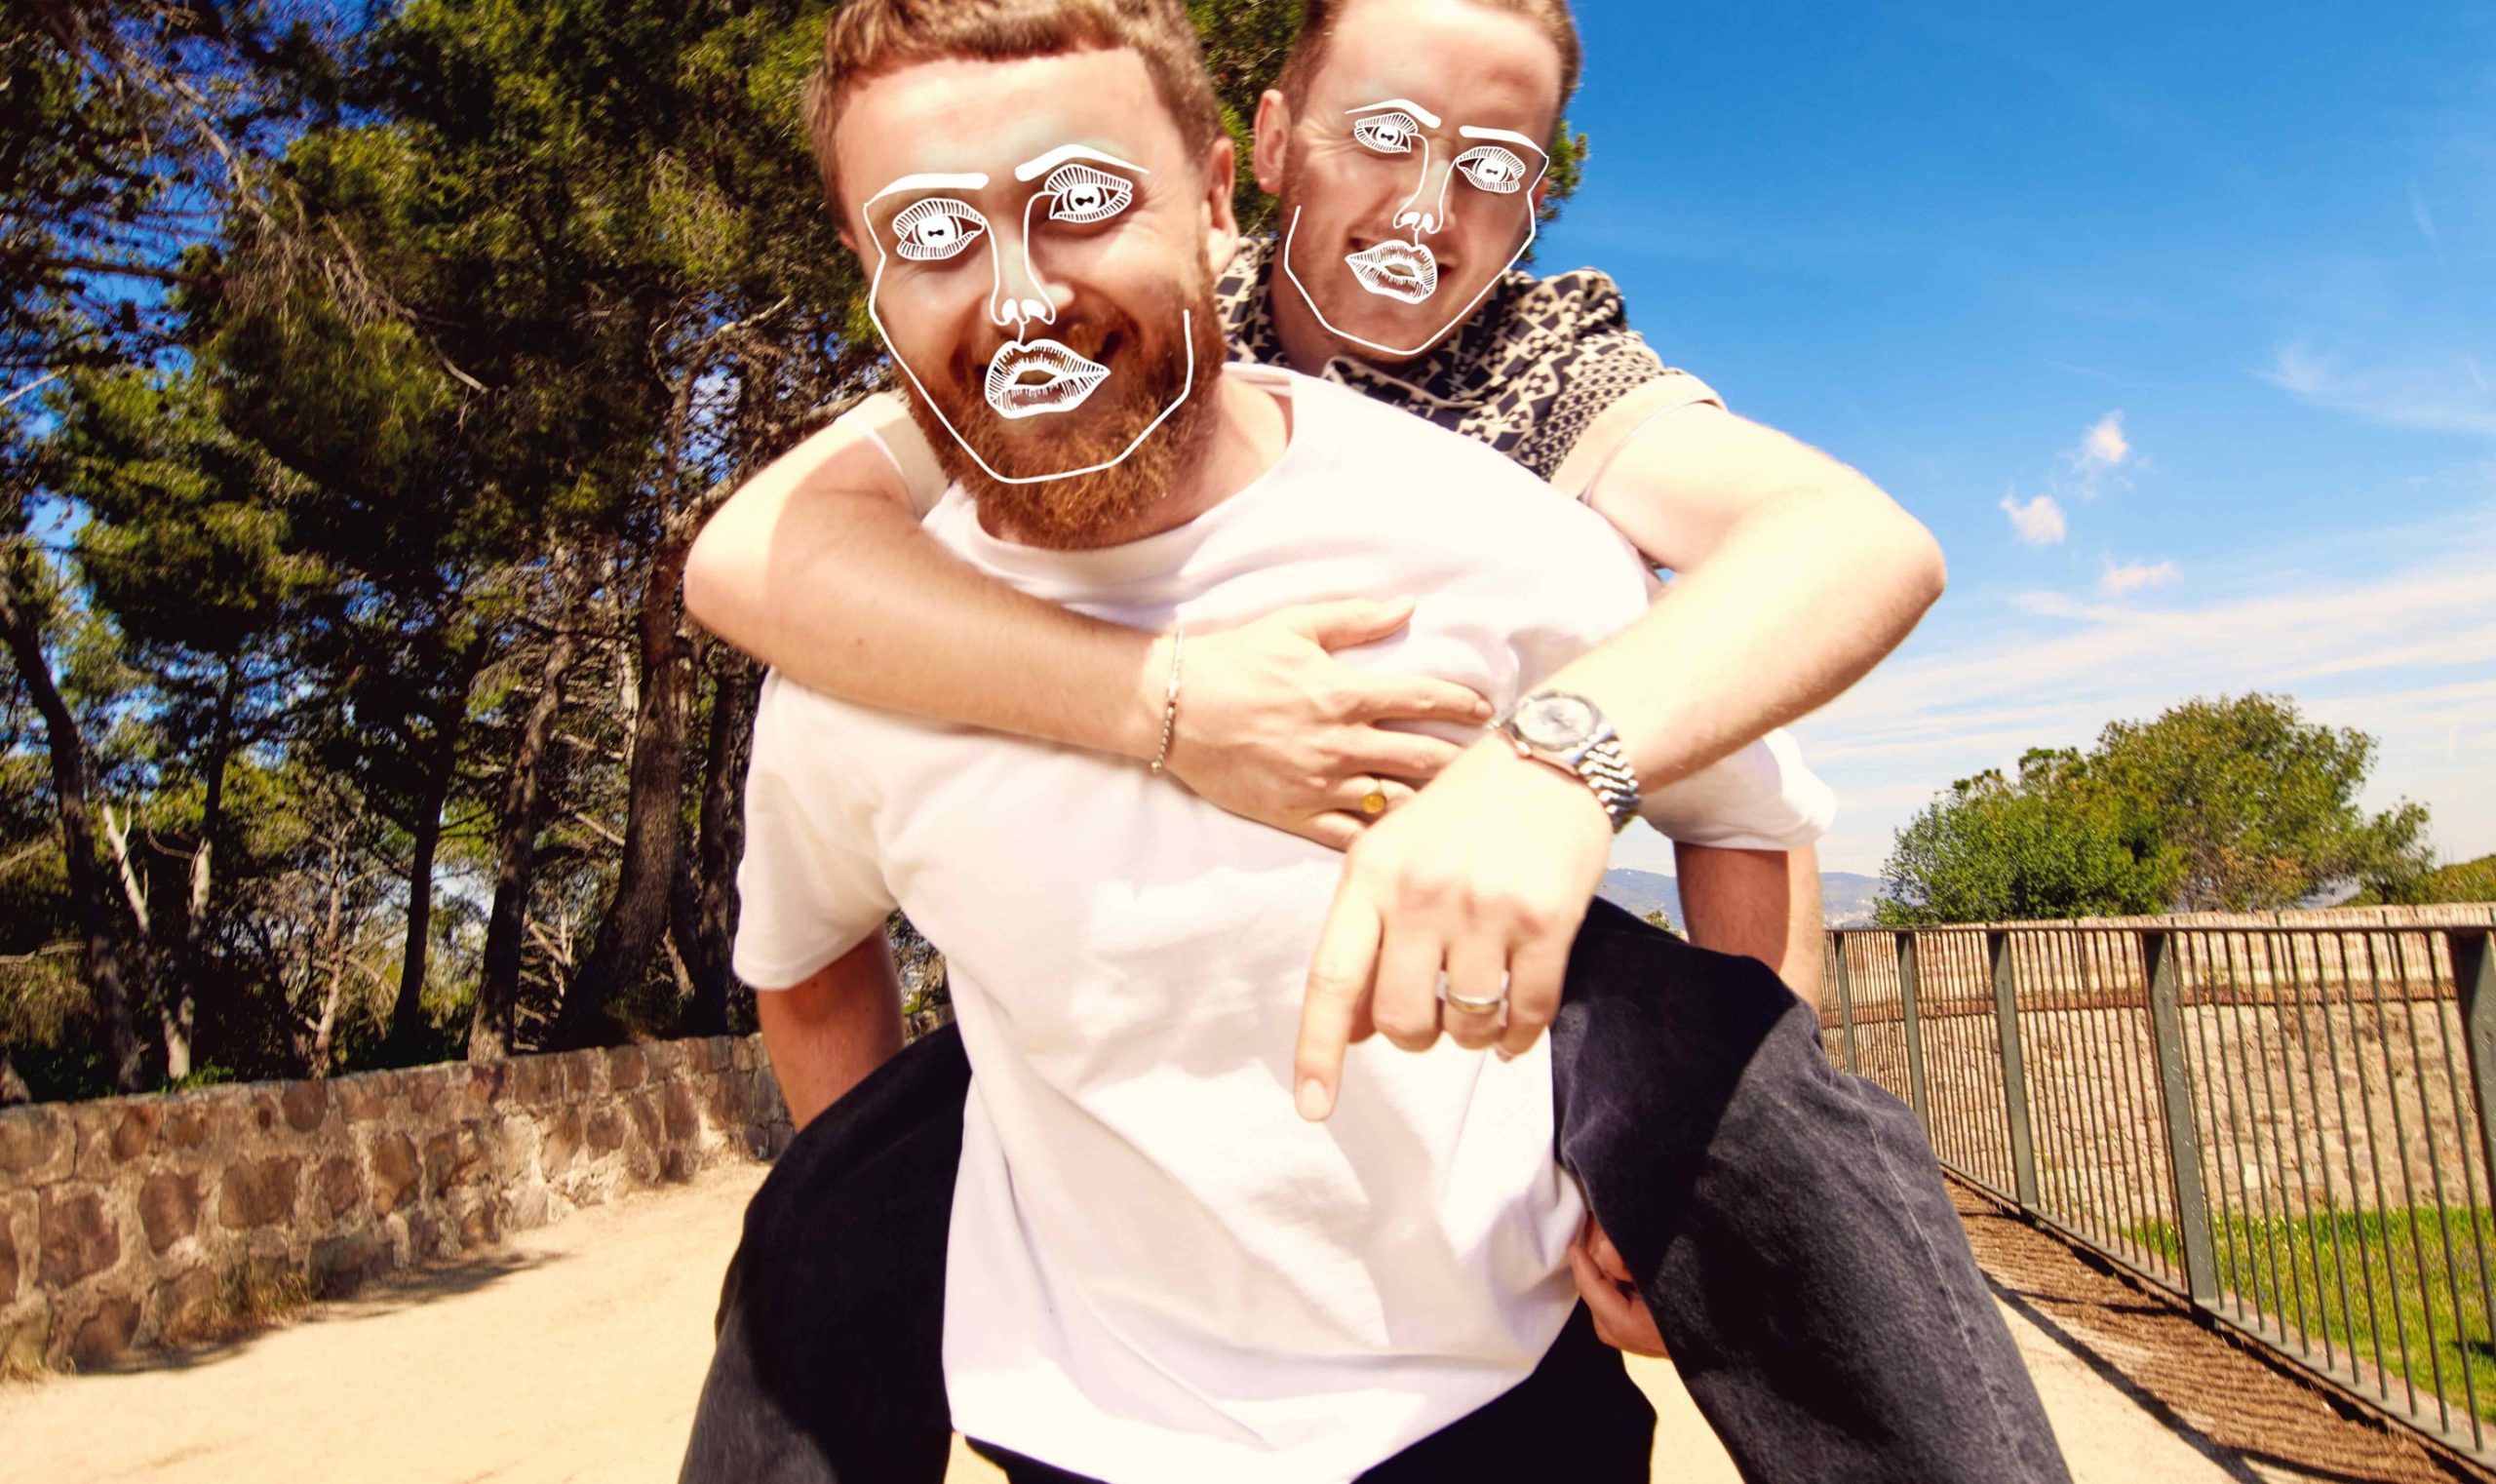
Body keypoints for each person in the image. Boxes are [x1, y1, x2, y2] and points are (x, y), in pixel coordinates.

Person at [679, 4, 2071, 1483]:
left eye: (1083, 199)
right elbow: (758, 602)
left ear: (1212, 194)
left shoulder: (1536, 471)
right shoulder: (879, 610)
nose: (1423, 209)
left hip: (1495, 1397)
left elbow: (1808, 640)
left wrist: (1554, 779)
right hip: (1082, 1418)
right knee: (816, 1249)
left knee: (1745, 1082)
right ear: (1272, 156)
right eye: (933, 232)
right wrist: (1170, 706)